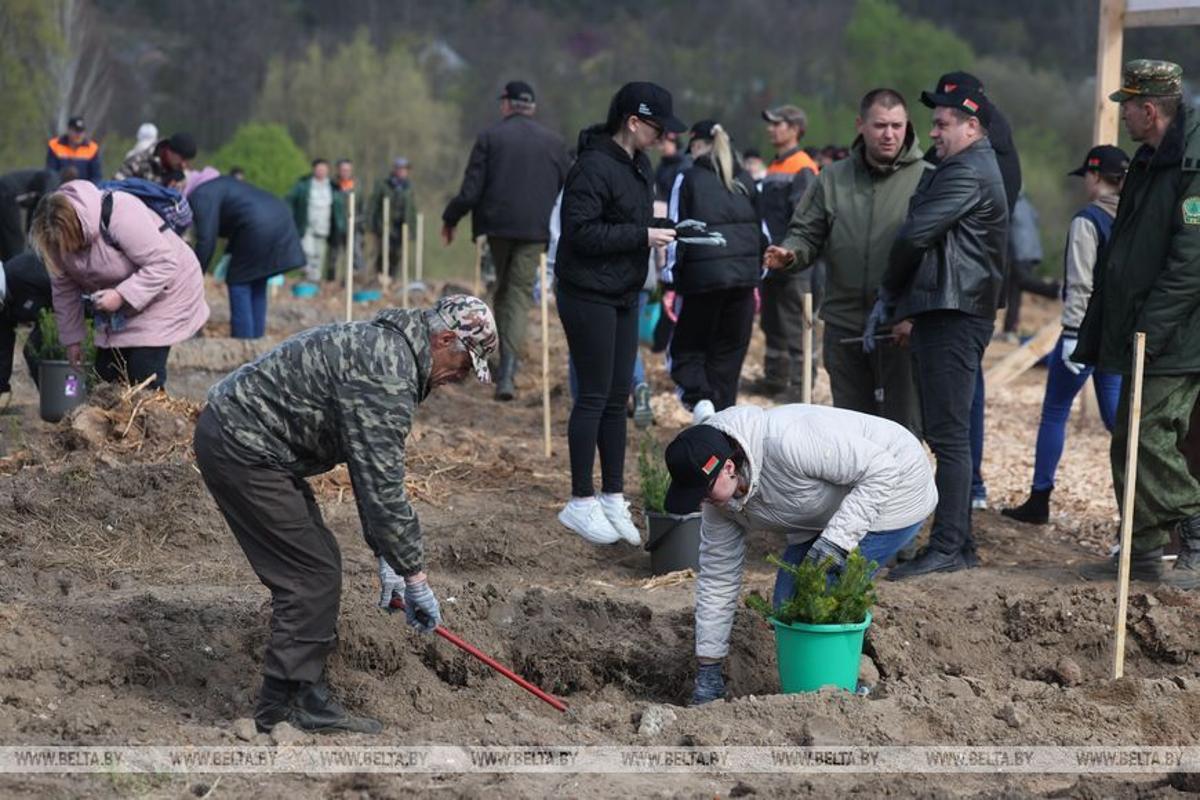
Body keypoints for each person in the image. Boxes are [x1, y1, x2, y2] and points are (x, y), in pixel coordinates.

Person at [195, 294, 498, 734]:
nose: (459, 378)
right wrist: (414, 575)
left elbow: (367, 470)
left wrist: (387, 560)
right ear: (444, 338)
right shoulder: (387, 374)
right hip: (242, 446)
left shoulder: (388, 350)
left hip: (248, 440)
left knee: (317, 564)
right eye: (465, 364)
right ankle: (284, 707)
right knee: (310, 573)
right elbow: (383, 487)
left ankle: (303, 691)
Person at [665, 404, 937, 705]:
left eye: (702, 490)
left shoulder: (788, 441)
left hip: (897, 485)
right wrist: (708, 670)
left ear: (729, 468)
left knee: (825, 596)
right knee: (788, 603)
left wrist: (835, 543)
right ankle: (812, 688)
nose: (701, 501)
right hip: (829, 508)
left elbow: (882, 469)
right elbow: (718, 578)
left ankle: (843, 687)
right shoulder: (719, 503)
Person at [866, 81, 1008, 579]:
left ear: (972, 127)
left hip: (952, 312)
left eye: (943, 124)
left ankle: (947, 546)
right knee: (950, 435)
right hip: (949, 308)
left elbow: (915, 235)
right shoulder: (968, 167)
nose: (933, 132)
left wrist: (889, 294)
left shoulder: (965, 172)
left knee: (948, 437)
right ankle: (958, 542)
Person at [1076, 60, 1200, 587]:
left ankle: (1195, 529)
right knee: (1126, 438)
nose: (1121, 114)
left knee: (1149, 435)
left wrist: (1152, 329)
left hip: (1178, 334)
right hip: (1142, 330)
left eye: (1125, 105)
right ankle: (1143, 552)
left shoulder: (1192, 165)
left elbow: (1191, 261)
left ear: (1148, 109)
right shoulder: (1151, 158)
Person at [554, 81, 685, 546]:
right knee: (591, 396)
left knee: (617, 397)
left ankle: (611, 495)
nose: (665, 138)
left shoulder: (639, 165)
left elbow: (631, 223)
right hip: (586, 293)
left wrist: (663, 229)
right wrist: (642, 236)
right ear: (633, 122)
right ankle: (579, 501)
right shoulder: (591, 167)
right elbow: (581, 234)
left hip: (624, 292)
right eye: (659, 128)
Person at [764, 88, 930, 436]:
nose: (889, 134)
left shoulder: (928, 178)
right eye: (880, 125)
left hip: (901, 327)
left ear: (908, 126)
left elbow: (937, 254)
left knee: (902, 430)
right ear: (861, 125)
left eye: (897, 126)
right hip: (844, 322)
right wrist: (791, 254)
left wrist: (915, 313)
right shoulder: (832, 177)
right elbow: (806, 232)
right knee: (850, 431)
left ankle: (903, 492)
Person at [1003, 146, 1128, 526]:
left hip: (1085, 333)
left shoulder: (1088, 220)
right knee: (1118, 425)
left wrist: (1072, 332)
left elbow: (1079, 283)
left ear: (1094, 176)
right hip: (1117, 335)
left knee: (1055, 411)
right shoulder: (1137, 217)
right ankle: (1136, 510)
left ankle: (1040, 500)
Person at [920, 72, 1023, 513]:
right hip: (974, 289)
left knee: (957, 414)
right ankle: (968, 491)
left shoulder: (978, 154)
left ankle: (963, 500)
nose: (935, 128)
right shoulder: (998, 146)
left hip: (958, 292)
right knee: (964, 400)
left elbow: (923, 226)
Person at [442, 80, 570, 401]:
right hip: (536, 231)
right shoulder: (554, 143)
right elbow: (570, 190)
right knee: (518, 293)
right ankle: (508, 369)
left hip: (498, 228)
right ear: (532, 107)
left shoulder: (490, 137)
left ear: (506, 105)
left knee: (502, 288)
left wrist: (451, 218)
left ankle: (503, 366)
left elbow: (471, 190)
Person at [29, 180, 209, 389]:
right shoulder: (55, 238)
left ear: (78, 227)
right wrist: (72, 341)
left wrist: (121, 295)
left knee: (142, 373)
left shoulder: (120, 213)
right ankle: (113, 421)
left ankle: (153, 420)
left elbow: (164, 263)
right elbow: (64, 292)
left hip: (168, 289)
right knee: (107, 375)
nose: (68, 251)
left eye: (71, 242)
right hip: (121, 307)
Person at [664, 120, 763, 423]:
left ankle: (701, 404)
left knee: (687, 352)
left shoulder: (688, 178)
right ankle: (725, 429)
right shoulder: (746, 180)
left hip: (701, 282)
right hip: (744, 283)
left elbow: (675, 232)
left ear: (695, 146)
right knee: (728, 360)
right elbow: (763, 235)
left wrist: (670, 281)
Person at [751, 104, 820, 397]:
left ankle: (799, 387)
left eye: (777, 124)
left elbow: (804, 218)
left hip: (794, 263)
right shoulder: (776, 165)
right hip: (772, 261)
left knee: (795, 324)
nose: (771, 129)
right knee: (773, 322)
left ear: (794, 129)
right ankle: (775, 378)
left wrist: (789, 253)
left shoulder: (802, 166)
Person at [189, 172, 307, 338]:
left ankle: (243, 344)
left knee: (239, 284)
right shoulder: (224, 185)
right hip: (281, 218)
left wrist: (195, 272)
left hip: (257, 227)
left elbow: (206, 239)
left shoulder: (201, 194)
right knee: (257, 281)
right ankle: (256, 344)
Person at [0, 251, 53, 410]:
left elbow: (65, 288)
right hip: (49, 316)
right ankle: (53, 403)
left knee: (35, 350)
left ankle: (63, 399)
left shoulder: (25, 272)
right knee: (31, 350)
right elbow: (3, 347)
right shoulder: (4, 305)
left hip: (69, 310)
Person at [1001, 193, 1059, 337]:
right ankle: (1009, 329)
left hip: (1020, 251)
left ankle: (1054, 290)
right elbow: (1036, 219)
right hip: (1032, 251)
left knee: (1022, 281)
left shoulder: (1010, 203)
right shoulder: (1026, 204)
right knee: (1015, 288)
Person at [287, 159, 346, 285]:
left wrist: (341, 225)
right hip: (306, 225)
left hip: (324, 226)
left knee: (319, 254)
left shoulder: (333, 187)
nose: (321, 172)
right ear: (314, 170)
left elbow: (340, 207)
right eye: (319, 169)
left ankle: (314, 282)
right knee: (307, 251)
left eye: (324, 169)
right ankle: (308, 274)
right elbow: (290, 200)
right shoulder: (303, 185)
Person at [370, 157, 418, 280]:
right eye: (400, 169)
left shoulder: (409, 187)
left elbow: (412, 210)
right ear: (395, 170)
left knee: (397, 254)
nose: (402, 172)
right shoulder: (384, 185)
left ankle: (392, 277)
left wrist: (413, 229)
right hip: (385, 224)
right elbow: (374, 204)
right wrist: (373, 226)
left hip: (401, 226)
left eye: (405, 169)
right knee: (383, 252)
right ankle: (380, 275)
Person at [0, 170, 59, 261]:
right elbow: (45, 206)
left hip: (6, 190)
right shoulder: (54, 180)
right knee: (14, 240)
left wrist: (31, 232)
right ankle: (15, 269)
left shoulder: (45, 180)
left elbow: (35, 210)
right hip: (7, 193)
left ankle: (6, 267)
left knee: (6, 240)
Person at [115, 132, 198, 184]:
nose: (183, 165)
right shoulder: (138, 162)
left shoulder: (181, 172)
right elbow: (115, 186)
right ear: (169, 152)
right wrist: (162, 182)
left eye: (187, 161)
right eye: (182, 159)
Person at [46, 117, 102, 183]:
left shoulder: (92, 148)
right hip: (60, 186)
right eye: (76, 131)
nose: (79, 135)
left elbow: (96, 176)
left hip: (83, 188)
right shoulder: (55, 145)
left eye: (81, 131)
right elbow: (51, 172)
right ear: (69, 130)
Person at [654, 131, 688, 200]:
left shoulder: (685, 164)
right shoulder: (662, 165)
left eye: (663, 144)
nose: (661, 148)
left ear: (673, 143)